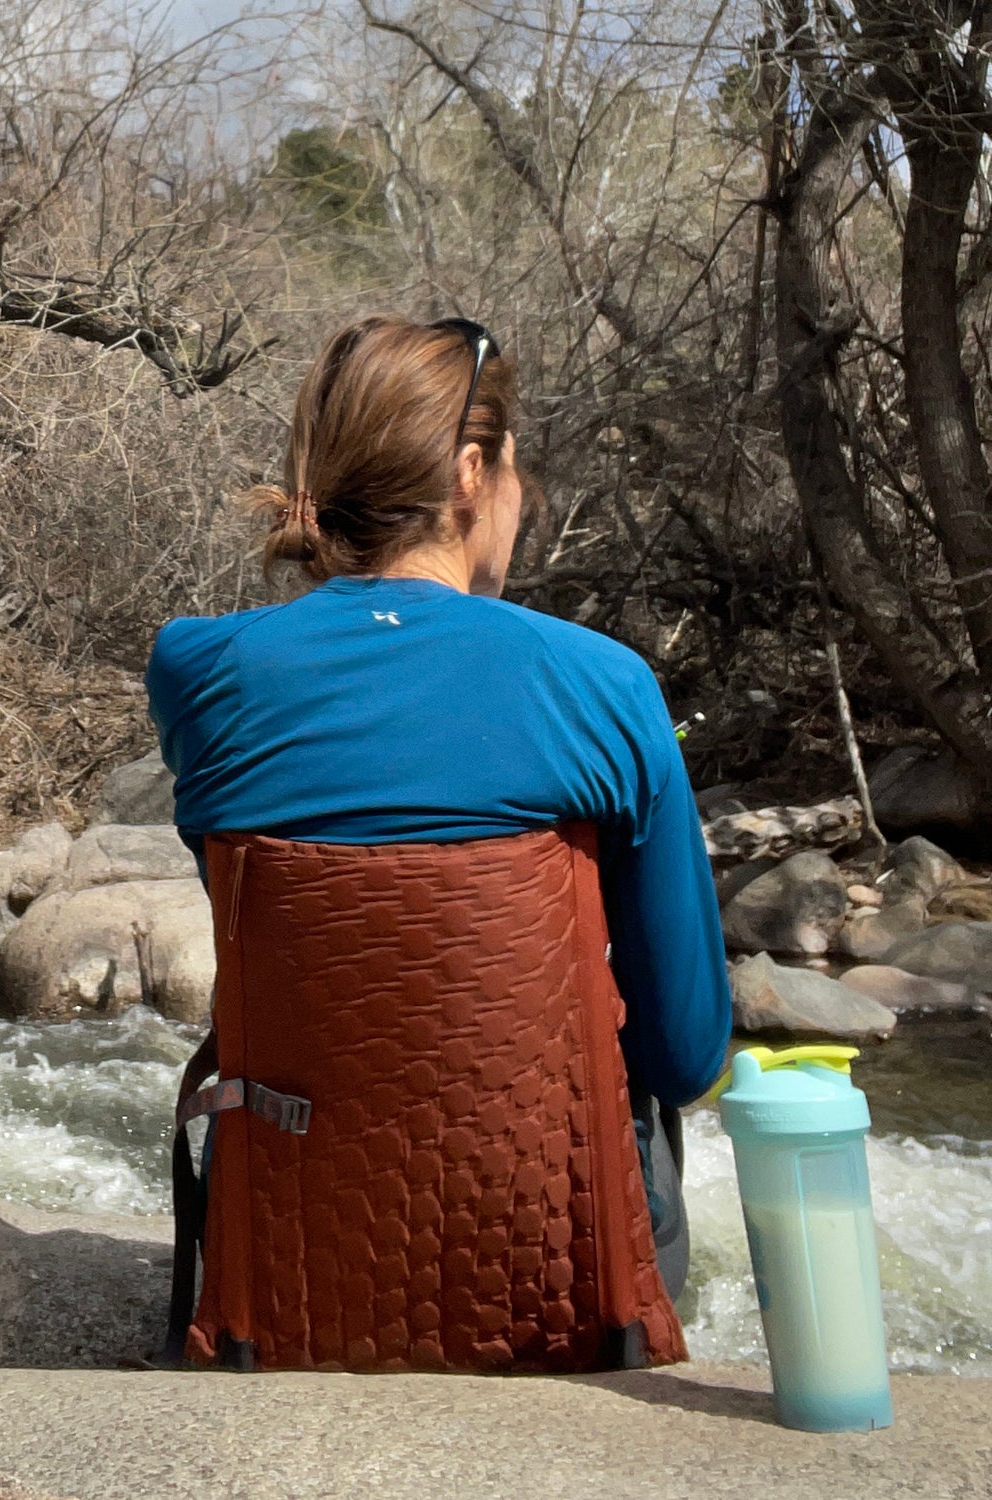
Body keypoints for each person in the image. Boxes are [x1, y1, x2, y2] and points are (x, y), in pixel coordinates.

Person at [147, 314, 731, 1374]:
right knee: (637, 1084)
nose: (522, 493)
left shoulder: (197, 673)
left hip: (290, 1274)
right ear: (471, 471)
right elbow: (688, 1055)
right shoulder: (605, 686)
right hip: (557, 1284)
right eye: (516, 467)